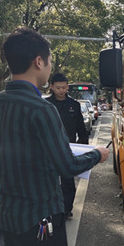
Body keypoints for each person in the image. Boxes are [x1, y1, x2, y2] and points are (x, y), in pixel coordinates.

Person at [0, 27, 110, 246]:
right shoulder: (41, 109)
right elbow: (66, 165)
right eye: (49, 61)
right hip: (42, 223)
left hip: (10, 218)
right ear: (39, 62)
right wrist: (97, 154)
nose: (50, 67)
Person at [47, 73, 88, 218]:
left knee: (68, 182)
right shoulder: (45, 105)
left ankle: (66, 210)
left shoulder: (74, 105)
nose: (61, 90)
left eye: (64, 87)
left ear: (67, 87)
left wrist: (84, 150)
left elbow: (81, 129)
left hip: (68, 149)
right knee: (49, 182)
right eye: (58, 87)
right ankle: (51, 209)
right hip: (48, 150)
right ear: (51, 87)